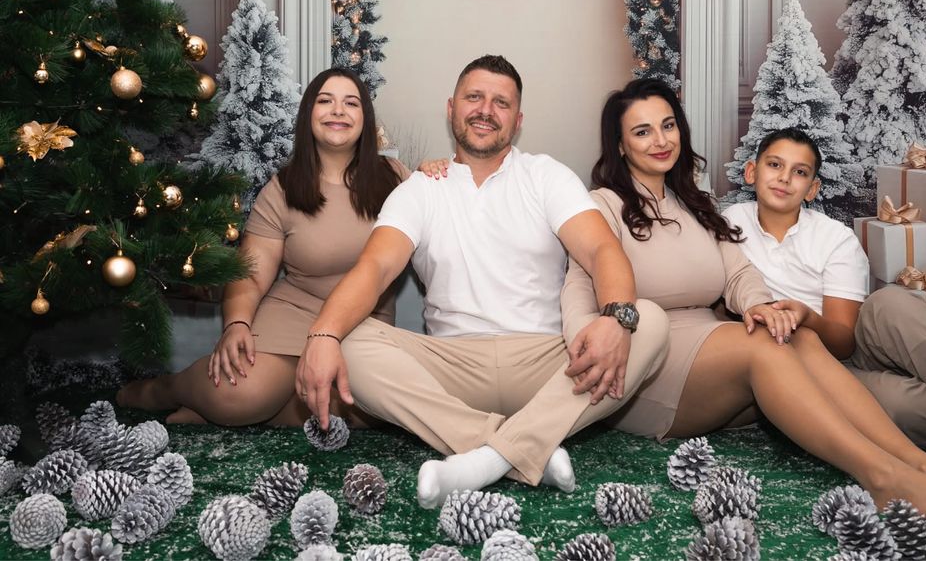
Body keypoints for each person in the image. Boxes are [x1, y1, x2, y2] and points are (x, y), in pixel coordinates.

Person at [558, 77, 926, 523]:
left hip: (714, 352)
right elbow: (578, 283)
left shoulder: (696, 202)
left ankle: (919, 463)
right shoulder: (601, 205)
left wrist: (759, 306)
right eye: (642, 131)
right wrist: (587, 344)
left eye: (668, 125)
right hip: (649, 365)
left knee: (794, 335)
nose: (661, 140)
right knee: (767, 343)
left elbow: (738, 273)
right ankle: (883, 477)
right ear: (620, 145)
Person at [296, 54, 669, 509]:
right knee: (350, 340)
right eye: (474, 97)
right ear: (451, 108)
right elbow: (374, 268)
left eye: (501, 103)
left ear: (518, 119)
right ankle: (522, 448)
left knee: (647, 320)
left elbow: (601, 249)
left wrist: (614, 318)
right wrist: (322, 335)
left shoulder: (545, 176)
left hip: (550, 364)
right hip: (452, 368)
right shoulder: (420, 189)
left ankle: (481, 461)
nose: (485, 111)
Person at [117, 68, 407, 427]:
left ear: (365, 118)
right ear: (309, 115)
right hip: (294, 314)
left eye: (351, 103)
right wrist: (237, 323)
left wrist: (437, 170)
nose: (338, 110)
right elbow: (252, 273)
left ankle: (224, 412)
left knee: (369, 409)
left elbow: (438, 213)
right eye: (325, 101)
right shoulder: (284, 187)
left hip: (363, 325)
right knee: (238, 396)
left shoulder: (396, 178)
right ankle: (166, 389)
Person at [720, 127, 926, 453]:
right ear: (751, 172)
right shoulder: (729, 223)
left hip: (847, 344)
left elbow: (844, 341)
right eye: (774, 165)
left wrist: (807, 317)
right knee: (900, 407)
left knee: (890, 302)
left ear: (812, 189)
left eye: (799, 172)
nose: (784, 178)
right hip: (804, 367)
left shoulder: (833, 237)